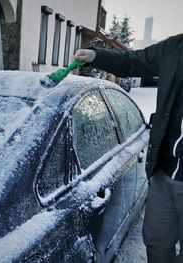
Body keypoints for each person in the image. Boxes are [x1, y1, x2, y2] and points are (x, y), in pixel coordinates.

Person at [74, 33, 183, 263]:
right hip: (164, 174)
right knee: (156, 242)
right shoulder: (175, 47)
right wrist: (95, 56)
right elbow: (131, 62)